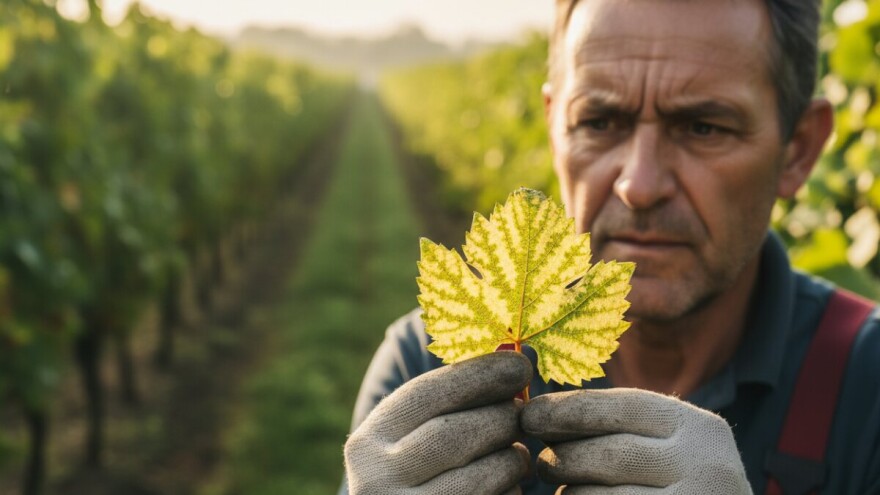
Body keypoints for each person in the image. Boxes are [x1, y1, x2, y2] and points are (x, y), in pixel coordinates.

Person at [341, 0, 880, 493]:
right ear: (554, 127)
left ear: (800, 150)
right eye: (598, 122)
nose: (638, 185)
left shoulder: (867, 385)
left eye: (703, 127)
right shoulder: (425, 361)